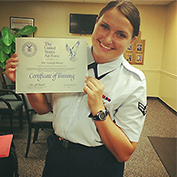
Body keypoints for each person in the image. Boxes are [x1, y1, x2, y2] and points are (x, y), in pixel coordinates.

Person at [5, 0, 147, 176]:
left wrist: (98, 109)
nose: (108, 39)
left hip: (98, 163)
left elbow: (124, 152)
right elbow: (42, 109)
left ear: (132, 40)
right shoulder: (66, 57)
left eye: (120, 34)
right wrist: (27, 80)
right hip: (57, 154)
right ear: (96, 23)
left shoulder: (133, 82)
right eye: (104, 26)